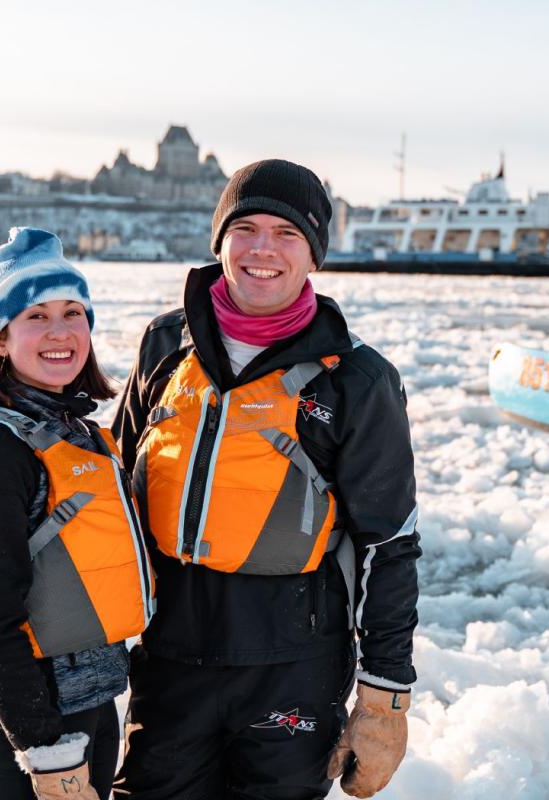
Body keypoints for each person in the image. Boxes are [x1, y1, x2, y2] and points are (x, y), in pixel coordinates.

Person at [111, 160, 421, 799]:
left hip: (292, 665)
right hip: (170, 657)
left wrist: (385, 696)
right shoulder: (165, 344)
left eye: (287, 233)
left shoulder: (357, 379)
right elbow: (117, 490)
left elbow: (389, 544)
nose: (262, 249)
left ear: (314, 256)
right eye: (245, 228)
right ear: (219, 240)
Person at [0, 227, 154, 800]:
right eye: (36, 316)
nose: (60, 332)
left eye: (72, 312)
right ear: (1, 338)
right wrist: (46, 751)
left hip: (90, 706)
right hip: (33, 730)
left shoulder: (74, 432)